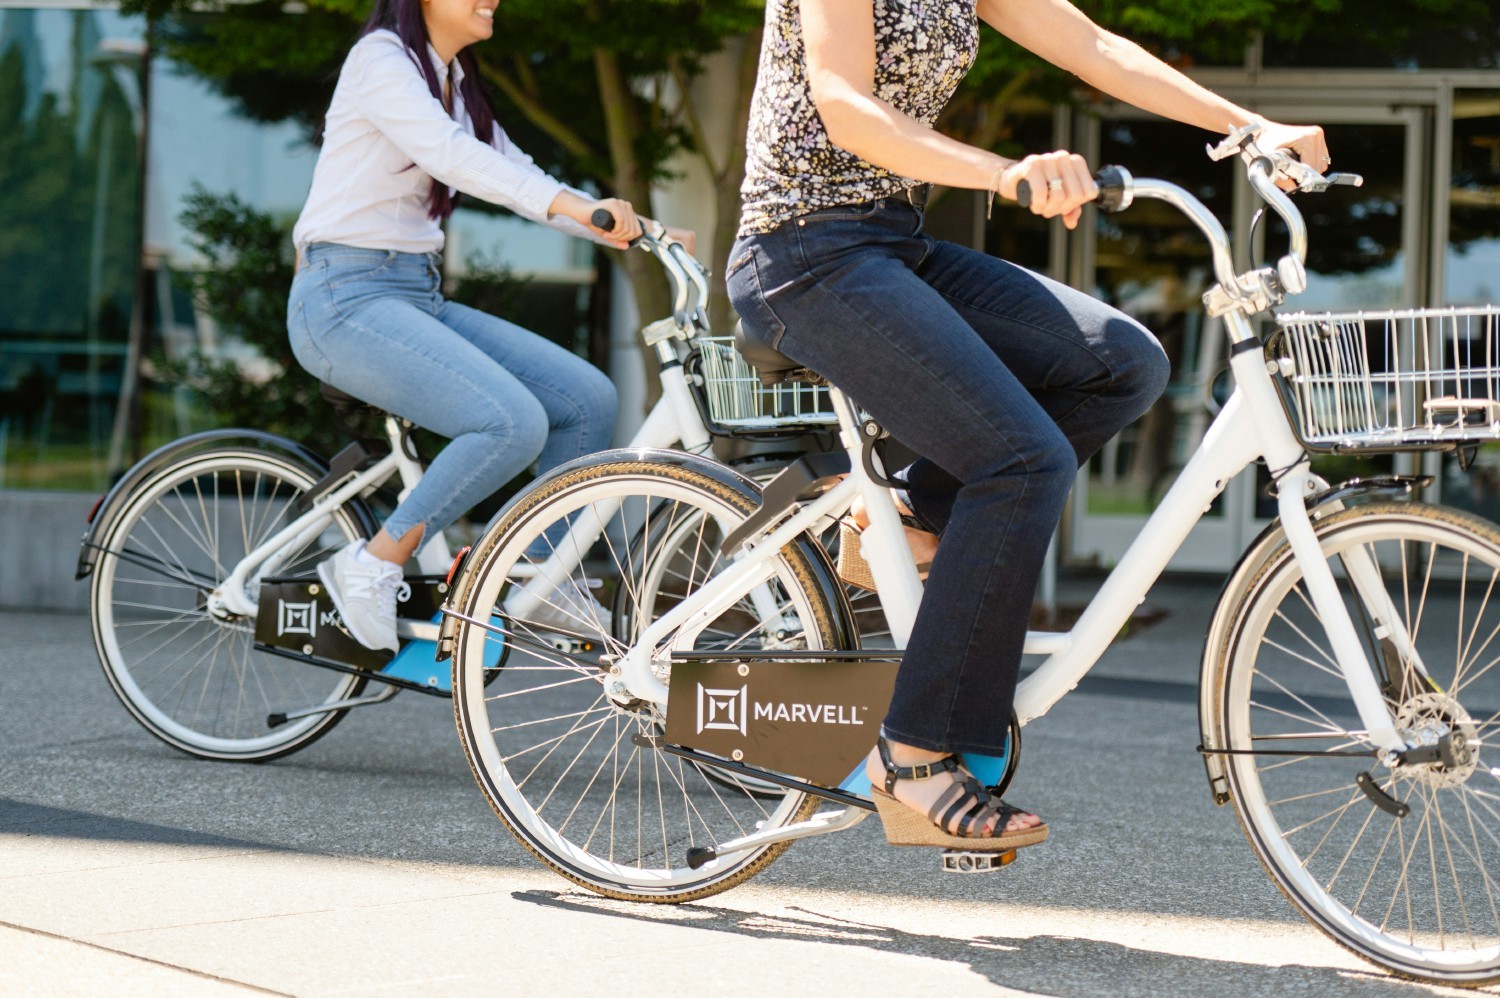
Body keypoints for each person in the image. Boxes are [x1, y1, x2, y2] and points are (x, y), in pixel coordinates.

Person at [726, 0, 1329, 851]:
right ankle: (912, 756)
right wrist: (1007, 173)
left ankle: (914, 511)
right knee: (1022, 462)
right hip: (800, 257)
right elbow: (844, 103)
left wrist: (1248, 124)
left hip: (892, 244)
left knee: (1124, 362)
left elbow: (1092, 46)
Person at [287, 0, 669, 652]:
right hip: (340, 299)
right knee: (510, 422)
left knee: (586, 401)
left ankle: (547, 580)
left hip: (414, 294)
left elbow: (514, 170)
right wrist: (582, 206)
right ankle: (374, 562)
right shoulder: (381, 61)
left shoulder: (454, 83)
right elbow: (456, 158)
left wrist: (636, 233)